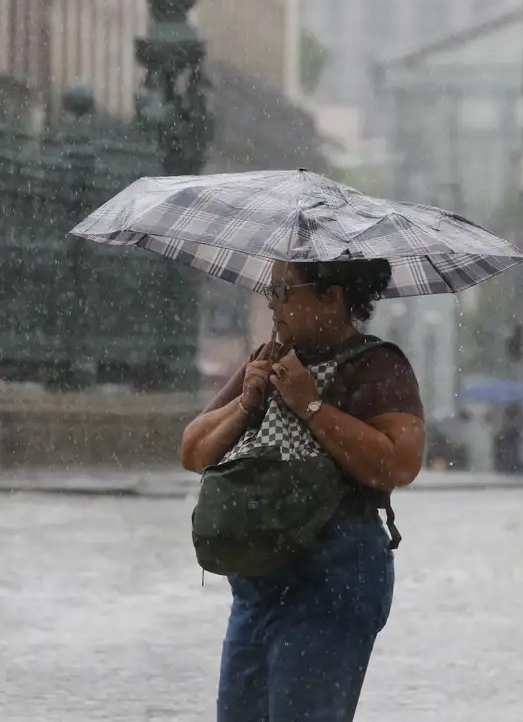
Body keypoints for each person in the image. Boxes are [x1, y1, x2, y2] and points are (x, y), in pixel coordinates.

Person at [180, 258, 425, 722]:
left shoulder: (378, 366)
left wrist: (309, 402)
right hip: (258, 581)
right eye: (270, 291)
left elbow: (399, 463)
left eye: (284, 291)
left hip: (333, 582)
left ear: (331, 297)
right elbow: (194, 451)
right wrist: (247, 402)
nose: (273, 304)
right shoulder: (266, 360)